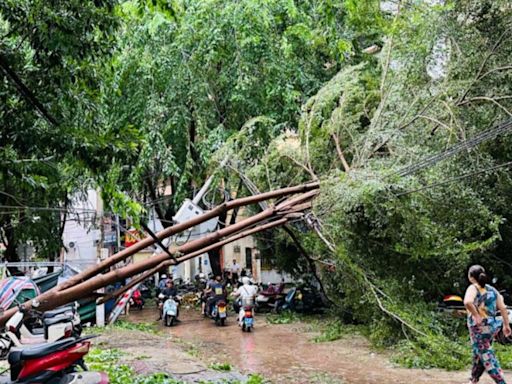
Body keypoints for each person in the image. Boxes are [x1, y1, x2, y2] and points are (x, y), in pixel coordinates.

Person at [464, 265, 511, 384]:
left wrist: (476, 315)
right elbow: (503, 308)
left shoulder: (473, 288)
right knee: (479, 353)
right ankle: (473, 379)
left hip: (478, 328)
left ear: (471, 277)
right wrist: (506, 325)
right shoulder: (492, 290)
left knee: (485, 354)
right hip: (491, 327)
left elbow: (468, 302)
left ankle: (501, 382)